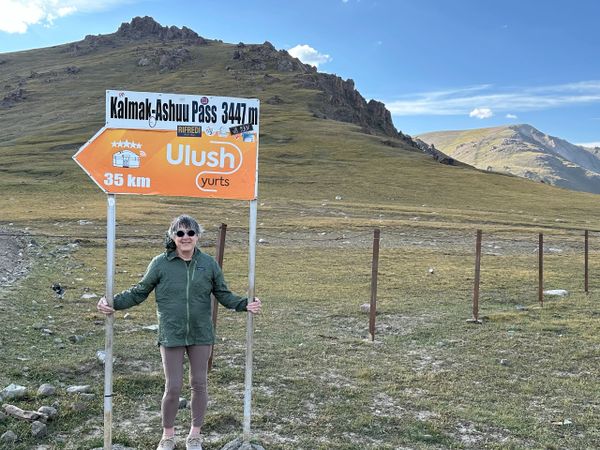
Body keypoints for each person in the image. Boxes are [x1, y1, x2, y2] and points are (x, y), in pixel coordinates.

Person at [97, 214, 262, 450]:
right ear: (172, 236)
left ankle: (195, 435)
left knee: (199, 384)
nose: (186, 237)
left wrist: (245, 304)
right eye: (180, 233)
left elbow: (223, 294)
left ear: (197, 236)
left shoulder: (208, 264)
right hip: (171, 333)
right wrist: (112, 302)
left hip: (201, 333)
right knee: (173, 387)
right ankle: (168, 436)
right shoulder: (160, 264)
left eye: (190, 233)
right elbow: (139, 291)